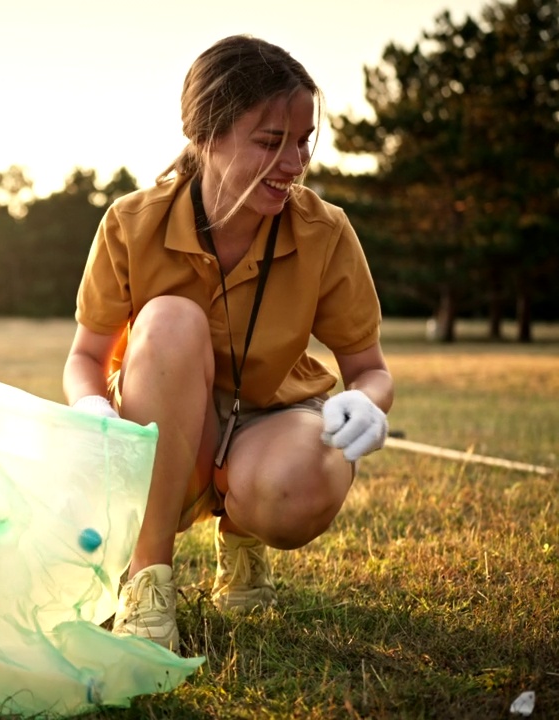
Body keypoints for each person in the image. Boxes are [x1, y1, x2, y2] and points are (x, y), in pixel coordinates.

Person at [63, 35, 393, 653]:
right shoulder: (130, 223)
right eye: (272, 142)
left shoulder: (326, 229)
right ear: (206, 135)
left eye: (303, 140)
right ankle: (148, 580)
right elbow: (85, 358)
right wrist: (91, 407)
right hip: (157, 426)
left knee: (300, 486)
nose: (295, 162)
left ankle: (242, 532)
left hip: (271, 419)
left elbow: (369, 369)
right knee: (168, 321)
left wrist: (369, 402)